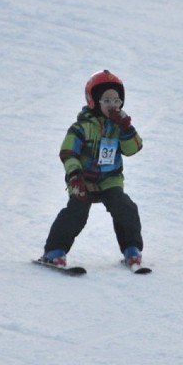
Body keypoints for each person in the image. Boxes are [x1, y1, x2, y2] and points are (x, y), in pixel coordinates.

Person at [40, 69, 145, 268]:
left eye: (117, 100)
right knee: (77, 212)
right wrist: (74, 176)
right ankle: (54, 251)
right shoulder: (82, 127)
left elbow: (133, 149)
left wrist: (126, 128)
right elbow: (68, 152)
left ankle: (132, 250)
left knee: (125, 208)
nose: (113, 105)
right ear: (94, 101)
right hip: (83, 179)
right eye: (107, 100)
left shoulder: (118, 127)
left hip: (109, 179)